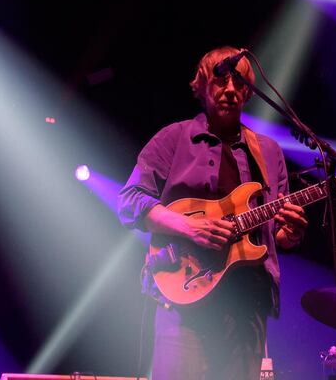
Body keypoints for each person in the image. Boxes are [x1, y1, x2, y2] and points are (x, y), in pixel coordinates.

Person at [119, 46, 309, 380]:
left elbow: (275, 235)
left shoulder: (268, 151)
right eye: (221, 81)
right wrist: (188, 227)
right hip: (183, 296)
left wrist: (289, 234)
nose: (230, 89)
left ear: (248, 92)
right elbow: (130, 200)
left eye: (239, 83)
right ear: (203, 86)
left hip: (248, 303)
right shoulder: (175, 138)